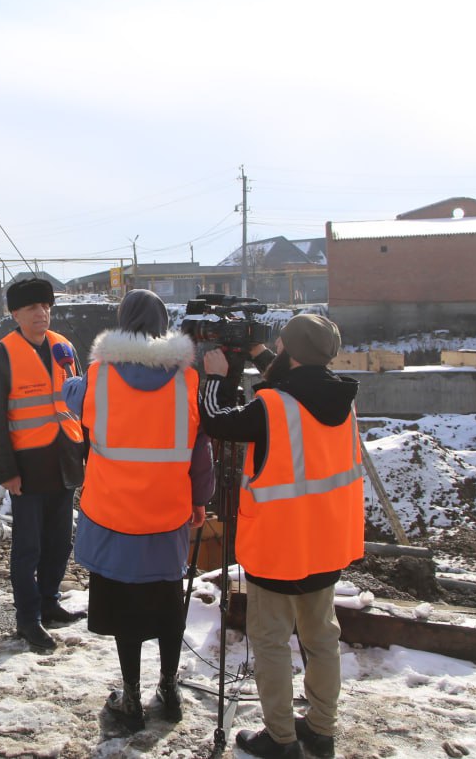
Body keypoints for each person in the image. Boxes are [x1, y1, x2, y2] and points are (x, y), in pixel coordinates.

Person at [198, 313, 362, 759]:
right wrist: (260, 355)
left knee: (270, 641)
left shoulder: (272, 408)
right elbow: (303, 383)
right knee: (321, 638)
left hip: (278, 547)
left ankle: (281, 740)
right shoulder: (341, 401)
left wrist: (213, 378)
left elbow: (217, 420)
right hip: (326, 543)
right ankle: (321, 731)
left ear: (290, 352)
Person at [61, 289, 213, 733]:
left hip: (112, 514)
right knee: (167, 601)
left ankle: (129, 697)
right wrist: (199, 500)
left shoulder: (96, 376)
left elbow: (71, 398)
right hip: (167, 515)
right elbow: (200, 449)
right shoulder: (188, 378)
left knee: (124, 607)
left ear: (122, 322)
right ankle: (169, 688)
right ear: (163, 325)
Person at [0, 277, 87, 652]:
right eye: (31, 308)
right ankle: (28, 618)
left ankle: (49, 601)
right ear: (15, 314)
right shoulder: (1, 355)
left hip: (66, 460)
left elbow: (79, 403)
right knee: (28, 547)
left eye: (45, 306)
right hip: (28, 465)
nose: (41, 313)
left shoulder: (65, 348)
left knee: (60, 541)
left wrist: (86, 451)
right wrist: (7, 472)